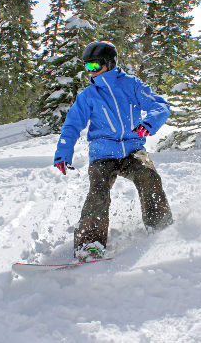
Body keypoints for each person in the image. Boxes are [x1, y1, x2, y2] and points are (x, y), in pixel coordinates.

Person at [54, 41, 173, 261]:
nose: (91, 72)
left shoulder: (131, 85)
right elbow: (72, 125)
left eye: (94, 66)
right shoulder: (88, 96)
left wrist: (149, 123)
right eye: (87, 67)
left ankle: (161, 227)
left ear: (109, 63)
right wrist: (63, 152)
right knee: (98, 193)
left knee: (149, 176)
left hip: (132, 149)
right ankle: (89, 244)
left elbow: (160, 105)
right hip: (102, 154)